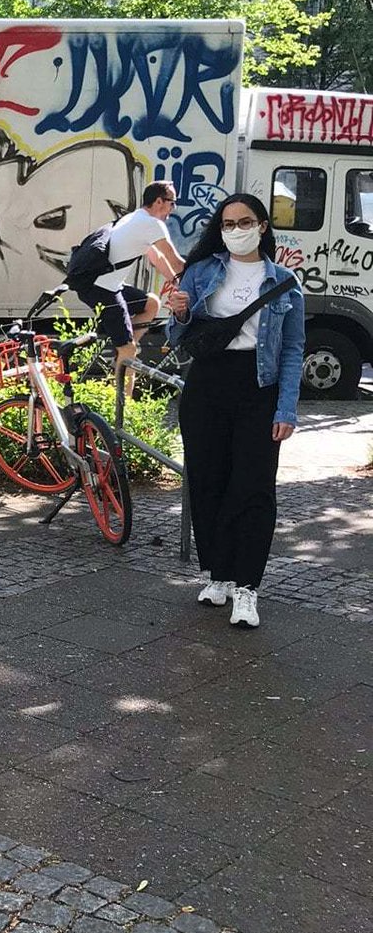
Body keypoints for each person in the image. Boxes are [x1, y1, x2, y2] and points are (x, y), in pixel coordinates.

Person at [167, 193, 305, 630]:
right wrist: (181, 313)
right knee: (207, 481)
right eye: (227, 224)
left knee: (254, 487)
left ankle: (247, 587)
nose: (235, 230)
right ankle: (219, 574)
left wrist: (286, 408)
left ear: (263, 226)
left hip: (257, 388)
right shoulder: (202, 270)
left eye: (245, 222)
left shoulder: (284, 281)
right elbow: (177, 337)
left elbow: (292, 348)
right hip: (207, 385)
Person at [74, 181, 185, 388]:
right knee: (128, 350)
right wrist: (196, 282)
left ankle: (124, 347)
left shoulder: (135, 218)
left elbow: (157, 257)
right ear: (159, 201)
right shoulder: (152, 224)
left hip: (103, 284)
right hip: (103, 289)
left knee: (151, 303)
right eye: (172, 203)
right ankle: (122, 407)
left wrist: (175, 280)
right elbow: (176, 261)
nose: (173, 209)